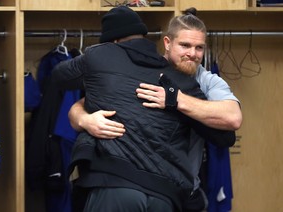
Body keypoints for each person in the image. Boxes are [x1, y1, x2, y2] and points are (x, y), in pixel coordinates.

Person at [52, 6, 236, 212]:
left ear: (111, 42)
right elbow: (225, 138)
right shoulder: (180, 80)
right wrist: (82, 117)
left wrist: (177, 100)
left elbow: (59, 77)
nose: (192, 54)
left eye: (199, 48)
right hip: (164, 196)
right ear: (165, 42)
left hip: (114, 185)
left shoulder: (99, 57)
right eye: (185, 45)